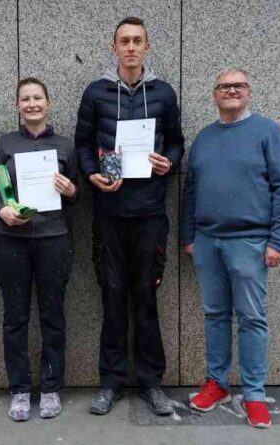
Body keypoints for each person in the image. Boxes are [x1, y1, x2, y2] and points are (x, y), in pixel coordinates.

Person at [74, 16, 184, 416]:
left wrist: (167, 162)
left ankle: (152, 383)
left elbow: (176, 142)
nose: (132, 47)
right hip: (108, 213)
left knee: (147, 298)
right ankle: (111, 382)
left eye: (138, 40)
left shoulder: (164, 93)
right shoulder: (96, 93)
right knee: (112, 297)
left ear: (147, 47)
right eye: (125, 41)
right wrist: (91, 174)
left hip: (151, 212)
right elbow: (83, 144)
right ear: (114, 47)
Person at [180, 68, 280, 429]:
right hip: (207, 242)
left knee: (251, 318)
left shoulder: (268, 132)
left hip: (250, 242)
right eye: (224, 86)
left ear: (248, 93)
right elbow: (190, 190)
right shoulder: (203, 138)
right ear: (214, 95)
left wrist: (279, 241)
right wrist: (189, 236)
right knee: (215, 315)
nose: (231, 91)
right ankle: (217, 383)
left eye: (239, 85)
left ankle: (254, 394)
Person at [0, 77, 79, 422]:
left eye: (37, 98)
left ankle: (52, 387)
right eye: (25, 99)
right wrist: (0, 210)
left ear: (48, 102)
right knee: (15, 317)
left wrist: (71, 190)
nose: (32, 104)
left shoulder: (65, 146)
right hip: (11, 240)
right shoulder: (5, 144)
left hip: (53, 239)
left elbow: (80, 195)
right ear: (18, 105)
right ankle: (20, 390)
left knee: (52, 315)